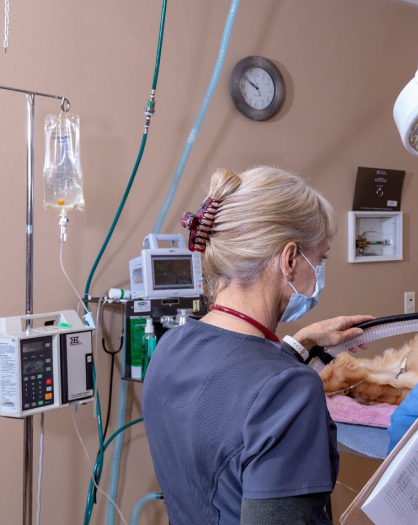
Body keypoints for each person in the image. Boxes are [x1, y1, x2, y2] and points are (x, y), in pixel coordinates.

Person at [142, 166, 372, 525]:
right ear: (290, 259)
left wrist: (302, 342)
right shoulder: (291, 392)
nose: (320, 270)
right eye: (321, 258)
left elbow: (232, 397)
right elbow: (259, 397)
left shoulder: (170, 348)